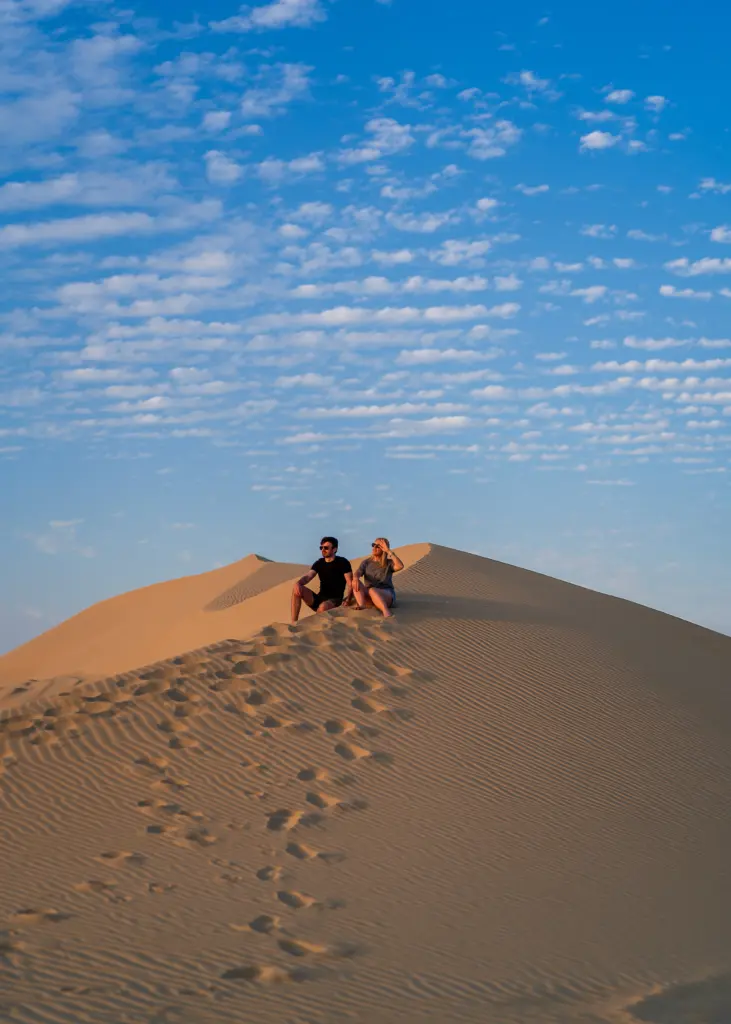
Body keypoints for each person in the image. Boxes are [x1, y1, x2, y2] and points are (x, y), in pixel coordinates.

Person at [291, 536, 353, 624]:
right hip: (320, 598)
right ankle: (294, 623)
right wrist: (298, 583)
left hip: (335, 600)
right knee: (297, 589)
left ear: (334, 549)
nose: (323, 550)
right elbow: (308, 576)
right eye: (321, 547)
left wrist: (348, 599)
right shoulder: (319, 563)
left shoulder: (343, 562)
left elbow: (350, 583)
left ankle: (315, 628)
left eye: (326, 548)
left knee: (323, 607)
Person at [353, 537, 404, 618]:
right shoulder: (366, 562)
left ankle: (386, 612)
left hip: (386, 594)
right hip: (370, 594)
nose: (374, 548)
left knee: (372, 590)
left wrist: (388, 551)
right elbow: (358, 572)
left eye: (378, 546)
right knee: (355, 582)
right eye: (373, 545)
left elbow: (400, 566)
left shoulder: (388, 563)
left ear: (383, 548)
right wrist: (356, 577)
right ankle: (362, 605)